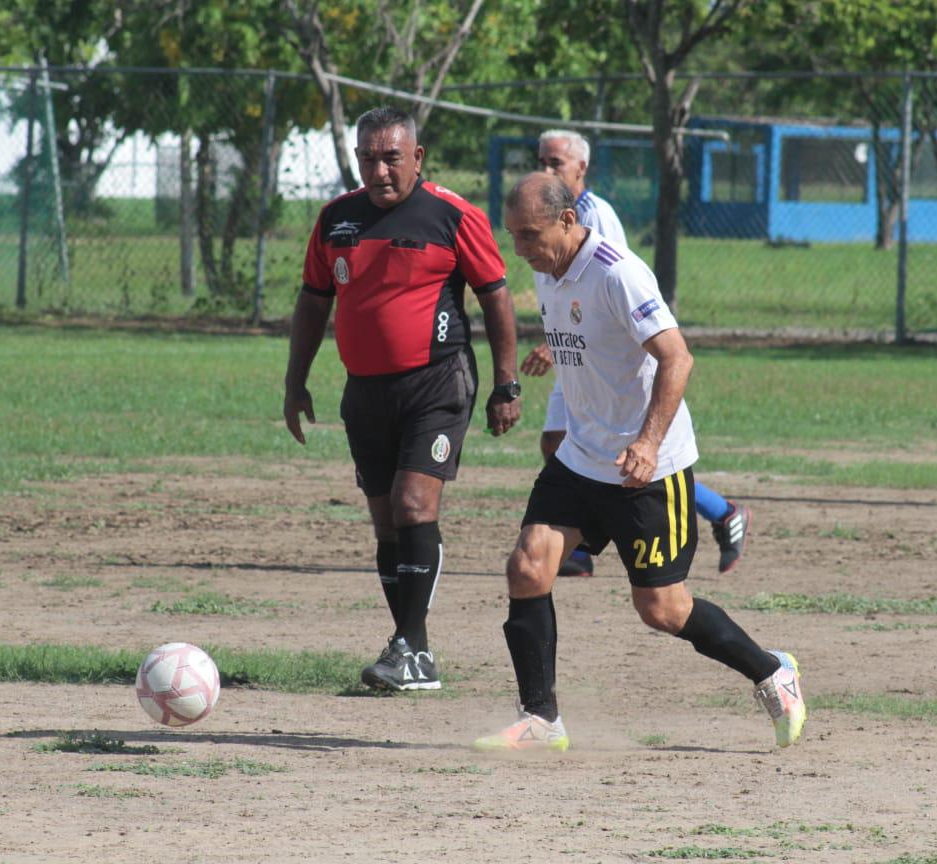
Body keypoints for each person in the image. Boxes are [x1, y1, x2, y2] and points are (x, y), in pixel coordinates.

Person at [472, 173, 805, 753]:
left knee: (662, 609)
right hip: (581, 457)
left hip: (648, 467)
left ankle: (772, 671)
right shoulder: (546, 267)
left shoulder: (617, 271)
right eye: (513, 236)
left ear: (569, 220)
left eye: (529, 235)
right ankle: (541, 719)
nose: (520, 249)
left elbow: (677, 359)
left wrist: (649, 443)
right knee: (527, 567)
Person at [283, 106, 522, 692]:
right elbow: (314, 302)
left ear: (417, 158)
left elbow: (496, 298)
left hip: (437, 383)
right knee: (386, 522)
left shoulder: (452, 215)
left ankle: (410, 647)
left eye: (392, 157)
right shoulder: (336, 219)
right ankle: (411, 653)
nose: (380, 169)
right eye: (369, 157)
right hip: (364, 391)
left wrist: (505, 383)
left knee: (416, 506)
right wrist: (296, 380)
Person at [520, 129, 750, 577]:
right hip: (578, 353)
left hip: (607, 353)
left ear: (581, 168)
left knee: (617, 457)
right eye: (541, 161)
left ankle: (720, 511)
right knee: (559, 442)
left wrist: (556, 341)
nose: (546, 170)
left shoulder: (593, 215)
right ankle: (580, 543)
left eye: (556, 163)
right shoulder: (542, 214)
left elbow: (612, 287)